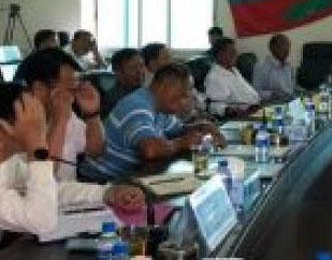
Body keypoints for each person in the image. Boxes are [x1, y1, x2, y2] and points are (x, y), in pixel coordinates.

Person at [0, 83, 144, 236]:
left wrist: (107, 193)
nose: (42, 125)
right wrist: (37, 148)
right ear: (5, 127)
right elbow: (42, 222)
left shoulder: (10, 161)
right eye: (35, 120)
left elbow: (49, 191)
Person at [79, 63, 223, 182]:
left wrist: (203, 126)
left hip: (130, 175)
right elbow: (151, 150)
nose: (187, 96)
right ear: (165, 86)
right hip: (101, 180)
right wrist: (182, 143)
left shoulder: (160, 107)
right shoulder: (137, 106)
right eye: (184, 92)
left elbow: (179, 130)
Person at [21, 48, 105, 181]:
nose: (74, 96)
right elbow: (43, 175)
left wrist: (92, 115)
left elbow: (95, 151)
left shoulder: (66, 113)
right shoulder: (17, 121)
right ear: (39, 88)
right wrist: (60, 120)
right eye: (71, 89)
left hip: (69, 191)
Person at [205, 38, 260, 116]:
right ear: (220, 55)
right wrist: (231, 111)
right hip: (242, 115)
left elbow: (247, 92)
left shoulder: (233, 69)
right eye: (231, 52)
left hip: (256, 108)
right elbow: (214, 105)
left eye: (235, 51)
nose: (235, 54)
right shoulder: (214, 77)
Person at [102, 48, 145, 119]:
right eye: (133, 67)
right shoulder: (114, 98)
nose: (140, 72)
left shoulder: (147, 91)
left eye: (141, 66)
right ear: (117, 71)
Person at [252, 34, 295, 102]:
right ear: (272, 48)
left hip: (290, 100)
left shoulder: (289, 65)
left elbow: (293, 86)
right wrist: (272, 94)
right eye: (281, 46)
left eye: (288, 47)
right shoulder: (261, 67)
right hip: (273, 102)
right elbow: (255, 92)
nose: (286, 50)